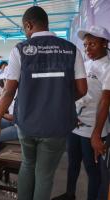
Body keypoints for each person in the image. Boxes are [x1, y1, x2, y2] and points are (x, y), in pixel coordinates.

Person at [0, 6, 87, 200]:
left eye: (24, 29)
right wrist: (61, 100)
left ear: (28, 25)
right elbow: (82, 89)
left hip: (27, 123)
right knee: (45, 174)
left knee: (27, 165)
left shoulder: (20, 50)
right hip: (56, 126)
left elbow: (8, 91)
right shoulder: (71, 50)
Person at [53, 25, 110, 200]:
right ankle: (70, 194)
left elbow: (105, 102)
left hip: (93, 129)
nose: (87, 49)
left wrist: (96, 135)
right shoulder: (85, 64)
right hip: (76, 125)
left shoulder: (107, 68)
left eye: (92, 44)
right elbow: (74, 91)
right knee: (73, 163)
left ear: (104, 43)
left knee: (92, 171)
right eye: (85, 45)